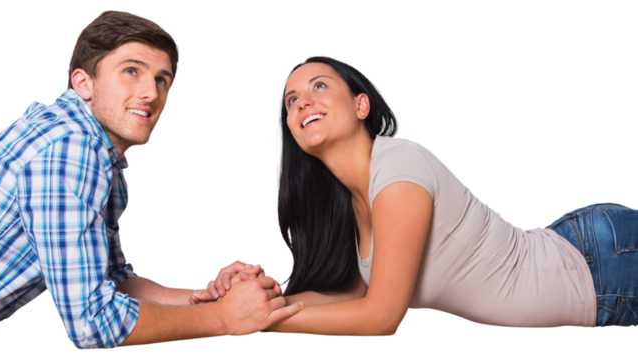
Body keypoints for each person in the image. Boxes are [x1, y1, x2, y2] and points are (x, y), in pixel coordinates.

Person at [0, 9, 303, 352]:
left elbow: (112, 278)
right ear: (84, 84)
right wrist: (221, 319)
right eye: (131, 71)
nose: (150, 92)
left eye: (162, 80)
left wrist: (204, 296)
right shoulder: (68, 152)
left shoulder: (99, 157)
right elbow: (93, 324)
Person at [249, 53, 637, 336]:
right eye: (292, 99)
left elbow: (381, 317)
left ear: (361, 104)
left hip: (601, 266)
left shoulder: (399, 166)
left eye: (319, 85)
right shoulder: (353, 203)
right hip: (587, 267)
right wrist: (260, 300)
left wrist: (261, 322)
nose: (303, 101)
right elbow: (352, 296)